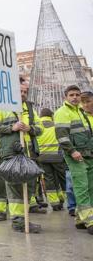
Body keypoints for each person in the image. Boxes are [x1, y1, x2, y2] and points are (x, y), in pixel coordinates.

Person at [0, 80, 42, 233]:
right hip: (11, 154)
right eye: (20, 91)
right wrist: (11, 128)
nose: (23, 94)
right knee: (15, 188)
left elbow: (40, 128)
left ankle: (24, 218)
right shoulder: (1, 107)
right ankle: (18, 221)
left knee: (29, 187)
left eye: (25, 92)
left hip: (30, 154)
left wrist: (30, 128)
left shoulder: (30, 109)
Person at [55, 87, 93, 234]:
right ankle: (90, 220)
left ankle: (79, 219)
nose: (75, 97)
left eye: (77, 95)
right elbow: (62, 136)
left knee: (89, 187)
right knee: (81, 186)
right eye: (72, 95)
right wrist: (72, 151)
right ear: (66, 97)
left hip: (87, 154)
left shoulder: (81, 112)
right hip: (75, 156)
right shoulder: (62, 112)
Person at [37, 108, 67, 211]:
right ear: (51, 116)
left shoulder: (37, 126)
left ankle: (54, 203)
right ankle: (64, 200)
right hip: (57, 157)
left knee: (49, 180)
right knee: (62, 179)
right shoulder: (55, 125)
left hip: (42, 158)